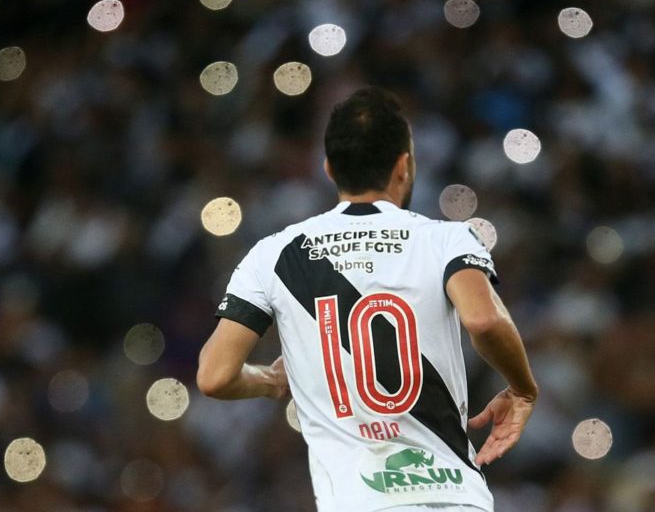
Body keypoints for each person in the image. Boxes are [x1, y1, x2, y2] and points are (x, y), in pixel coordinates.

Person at [195, 86, 538, 512]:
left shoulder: (275, 253)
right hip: (452, 496)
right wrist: (522, 389)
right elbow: (484, 321)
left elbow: (213, 376)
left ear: (329, 169)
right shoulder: (446, 238)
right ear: (403, 166)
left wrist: (270, 381)